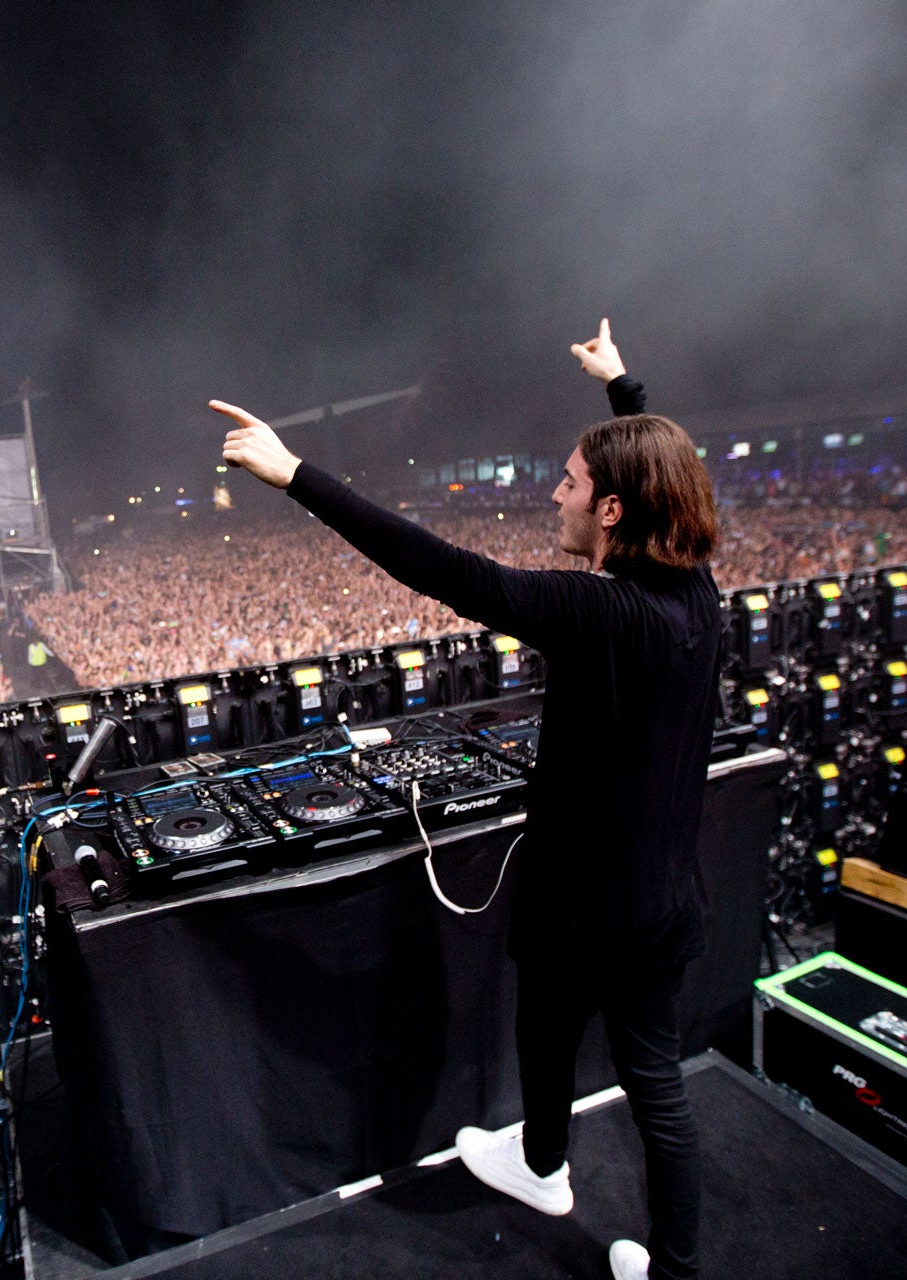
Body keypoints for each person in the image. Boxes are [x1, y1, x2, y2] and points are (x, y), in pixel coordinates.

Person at [213, 319, 719, 1280]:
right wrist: (623, 387)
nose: (556, 495)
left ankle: (551, 1172)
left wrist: (296, 476)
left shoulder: (600, 610)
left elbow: (449, 573)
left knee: (576, 1040)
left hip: (582, 902)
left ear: (612, 512)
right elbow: (670, 466)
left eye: (571, 483)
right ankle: (558, 1180)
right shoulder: (698, 595)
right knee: (630, 1071)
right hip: (658, 902)